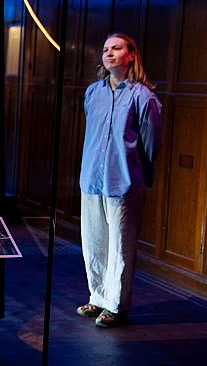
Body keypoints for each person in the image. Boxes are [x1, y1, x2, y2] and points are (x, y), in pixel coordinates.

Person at [75, 32, 162, 328]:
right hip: (91, 180)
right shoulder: (93, 92)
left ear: (131, 55)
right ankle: (97, 296)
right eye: (105, 49)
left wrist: (143, 178)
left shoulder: (143, 97)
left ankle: (115, 304)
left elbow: (150, 143)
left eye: (116, 48)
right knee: (94, 243)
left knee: (120, 247)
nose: (109, 53)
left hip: (123, 183)